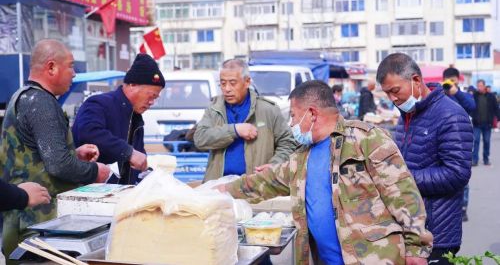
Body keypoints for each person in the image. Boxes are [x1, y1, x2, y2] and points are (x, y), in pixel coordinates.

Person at [217, 80, 432, 265]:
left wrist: (417, 250)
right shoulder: (301, 157)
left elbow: (404, 195)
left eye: (293, 116)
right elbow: (265, 181)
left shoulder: (366, 140)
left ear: (311, 113)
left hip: (374, 258)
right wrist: (221, 191)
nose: (291, 123)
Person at [0, 39, 110, 262]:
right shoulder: (39, 102)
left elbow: (38, 155)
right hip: (38, 229)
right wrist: (94, 171)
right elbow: (58, 164)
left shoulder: (23, 96)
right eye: (70, 66)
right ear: (51, 67)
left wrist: (73, 153)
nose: (74, 74)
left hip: (25, 223)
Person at [377, 53, 472, 265]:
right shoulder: (407, 115)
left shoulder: (451, 115)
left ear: (416, 81)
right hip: (410, 228)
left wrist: (403, 178)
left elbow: (458, 174)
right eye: (387, 93)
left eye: (395, 91)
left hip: (437, 231)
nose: (392, 99)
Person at [194, 59, 296, 182]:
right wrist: (234, 130)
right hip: (218, 187)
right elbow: (200, 139)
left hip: (256, 187)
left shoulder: (267, 110)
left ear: (247, 82)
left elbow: (288, 142)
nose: (227, 89)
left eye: (232, 83)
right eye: (222, 83)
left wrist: (274, 165)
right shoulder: (214, 109)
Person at [72, 54, 165, 185]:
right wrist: (128, 152)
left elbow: (139, 159)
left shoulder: (136, 118)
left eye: (155, 98)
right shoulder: (99, 103)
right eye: (151, 96)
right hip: (92, 192)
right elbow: (89, 131)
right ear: (132, 84)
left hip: (121, 194)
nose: (152, 102)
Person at [442, 67, 476, 222]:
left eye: (453, 81)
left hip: (462, 141)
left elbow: (472, 107)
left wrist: (457, 92)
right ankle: (448, 208)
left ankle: (463, 208)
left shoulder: (463, 94)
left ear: (458, 80)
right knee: (444, 175)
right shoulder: (440, 94)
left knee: (462, 176)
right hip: (443, 141)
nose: (450, 84)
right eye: (448, 81)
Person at [471, 80, 499, 166]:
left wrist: (498, 120)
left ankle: (486, 159)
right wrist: (473, 116)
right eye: (478, 86)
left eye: (480, 86)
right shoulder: (474, 96)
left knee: (486, 141)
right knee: (476, 141)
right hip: (477, 124)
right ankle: (475, 160)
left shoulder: (491, 96)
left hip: (487, 124)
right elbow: (470, 107)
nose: (479, 87)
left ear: (484, 86)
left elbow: (496, 109)